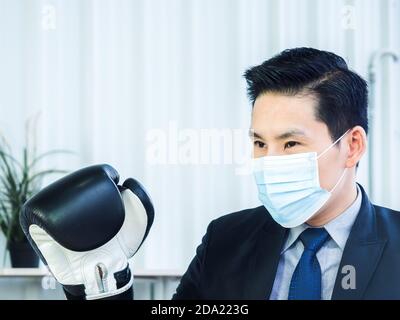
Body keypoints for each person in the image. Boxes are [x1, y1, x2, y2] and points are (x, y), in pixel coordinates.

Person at [20, 47, 400, 300]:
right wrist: (104, 281)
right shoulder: (226, 241)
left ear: (352, 146)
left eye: (290, 144)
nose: (269, 160)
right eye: (258, 143)